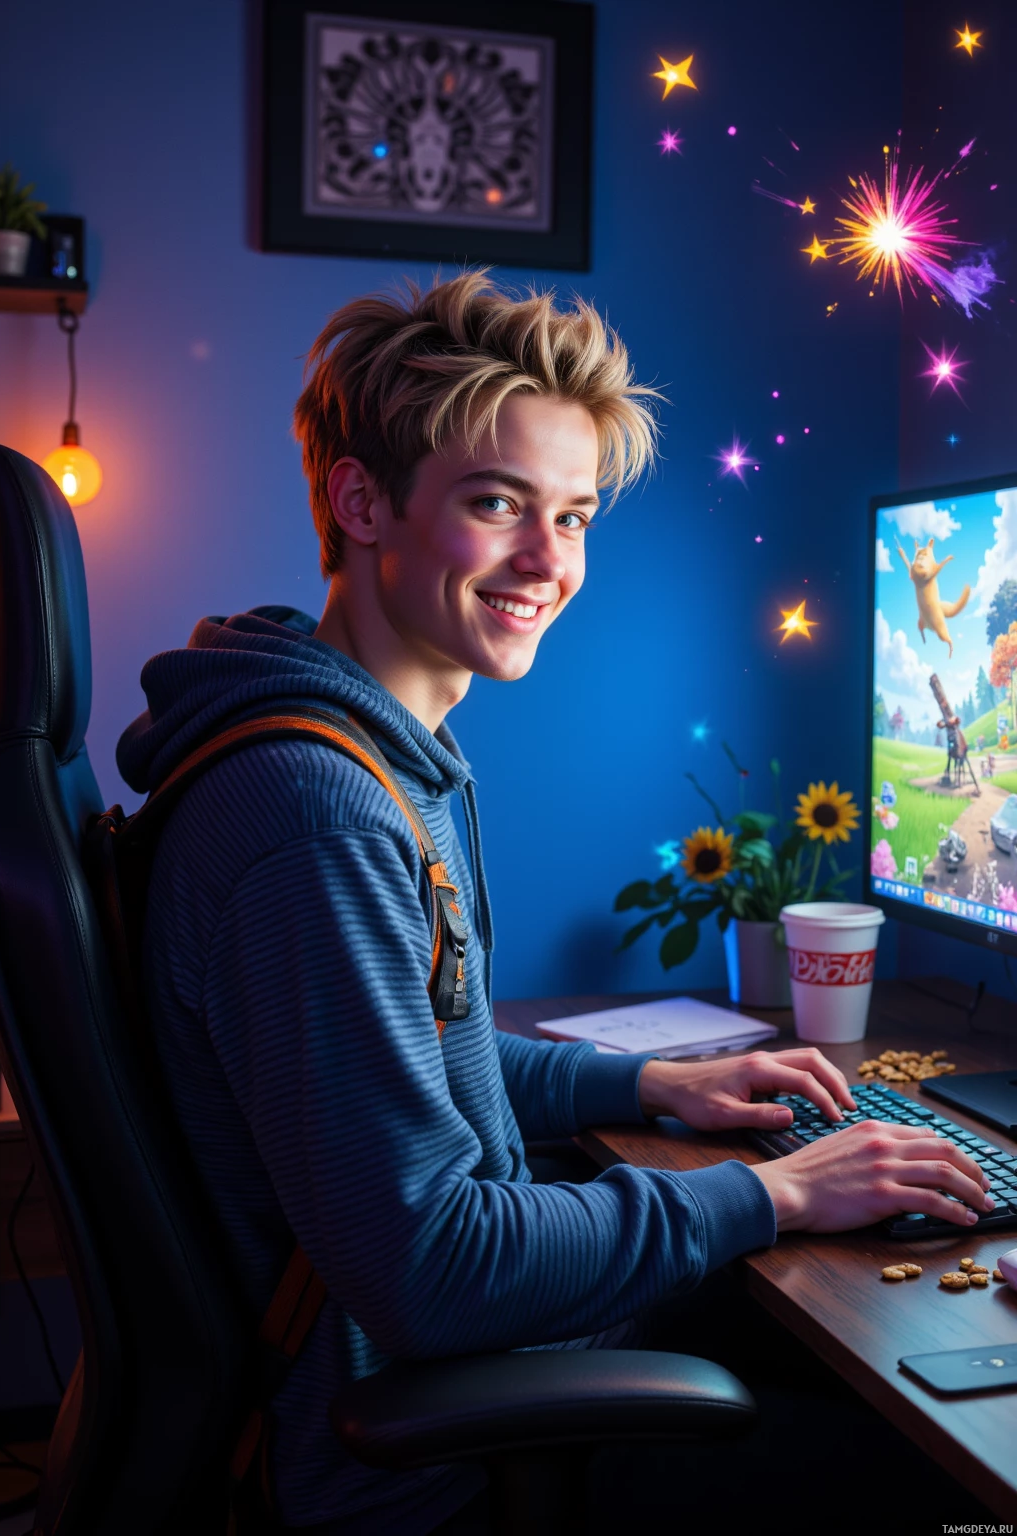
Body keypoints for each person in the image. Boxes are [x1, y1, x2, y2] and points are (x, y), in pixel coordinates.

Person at [117, 271, 994, 1534]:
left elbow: (418, 1069)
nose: (549, 563)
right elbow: (433, 1265)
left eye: (574, 517)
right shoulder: (315, 817)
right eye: (497, 505)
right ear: (362, 501)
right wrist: (779, 1192)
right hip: (420, 1465)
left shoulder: (372, 754)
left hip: (475, 1370)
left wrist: (642, 1088)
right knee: (957, 1471)